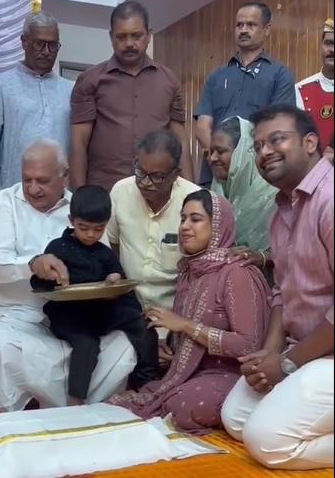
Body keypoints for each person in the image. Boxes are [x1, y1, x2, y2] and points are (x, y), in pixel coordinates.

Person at [0, 139, 137, 411]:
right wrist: (31, 264)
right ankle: (23, 414)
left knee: (123, 345)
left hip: (76, 315)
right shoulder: (5, 202)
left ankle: (90, 411)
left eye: (42, 180)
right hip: (20, 316)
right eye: (26, 179)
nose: (32, 188)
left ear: (64, 175)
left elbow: (103, 262)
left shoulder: (79, 209)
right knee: (1, 346)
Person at [222, 104, 334, 470]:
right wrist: (267, 358)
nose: (265, 151)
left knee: (265, 440)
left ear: (311, 142)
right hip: (305, 352)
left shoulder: (330, 201)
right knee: (236, 418)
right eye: (257, 146)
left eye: (277, 139)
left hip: (325, 356)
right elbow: (282, 295)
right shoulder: (282, 210)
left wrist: (285, 364)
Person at [109, 190, 270, 434]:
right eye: (182, 218)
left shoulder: (237, 272)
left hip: (234, 374)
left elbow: (249, 345)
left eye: (195, 219)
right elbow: (192, 336)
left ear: (217, 224)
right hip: (195, 372)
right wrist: (174, 351)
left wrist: (184, 326)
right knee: (131, 386)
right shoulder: (190, 270)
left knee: (184, 407)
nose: (184, 226)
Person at [31, 185, 158, 406]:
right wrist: (49, 275)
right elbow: (39, 284)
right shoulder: (58, 247)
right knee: (87, 345)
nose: (91, 234)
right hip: (68, 316)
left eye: (98, 229)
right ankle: (75, 400)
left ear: (107, 223)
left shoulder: (104, 253)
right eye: (84, 227)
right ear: (71, 220)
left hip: (100, 311)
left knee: (144, 325)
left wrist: (113, 285)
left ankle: (147, 383)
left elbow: (121, 284)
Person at [70, 1, 193, 192]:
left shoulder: (169, 80)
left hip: (156, 191)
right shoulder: (89, 80)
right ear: (111, 37)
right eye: (121, 37)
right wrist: (79, 195)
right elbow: (79, 143)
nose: (129, 44)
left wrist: (191, 193)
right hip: (104, 193)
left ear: (149, 35)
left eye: (136, 36)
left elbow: (181, 142)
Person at [0, 12, 72, 207]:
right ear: (24, 42)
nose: (46, 51)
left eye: (53, 45)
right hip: (14, 200)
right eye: (39, 43)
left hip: (61, 203)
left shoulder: (70, 90)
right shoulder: (2, 87)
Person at [195, 2, 295, 188]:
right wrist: (219, 158)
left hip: (258, 177)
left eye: (251, 25)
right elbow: (202, 126)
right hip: (215, 173)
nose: (243, 30)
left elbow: (279, 127)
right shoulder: (217, 76)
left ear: (266, 29)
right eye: (239, 25)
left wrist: (244, 164)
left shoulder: (280, 75)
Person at [107, 130, 200, 315]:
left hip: (176, 312)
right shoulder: (120, 191)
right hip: (129, 308)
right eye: (140, 171)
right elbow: (112, 246)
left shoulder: (194, 201)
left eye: (157, 176)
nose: (145, 183)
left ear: (176, 174)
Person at [209, 116, 277, 269]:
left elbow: (298, 249)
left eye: (220, 151)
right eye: (211, 151)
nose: (213, 158)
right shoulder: (214, 194)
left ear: (243, 153)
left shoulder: (275, 195)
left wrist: (263, 257)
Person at [296, 18, 334, 162]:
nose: (333, 50)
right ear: (320, 47)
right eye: (329, 43)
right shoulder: (300, 90)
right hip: (312, 177)